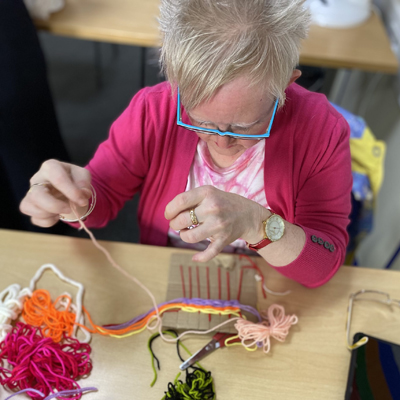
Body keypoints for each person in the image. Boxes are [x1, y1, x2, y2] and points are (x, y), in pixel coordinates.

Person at [20, 0, 352, 288]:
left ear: (286, 84)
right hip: (169, 279)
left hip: (275, 291)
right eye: (201, 120)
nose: (222, 140)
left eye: (246, 126)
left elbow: (323, 264)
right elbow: (102, 195)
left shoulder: (320, 130)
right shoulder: (155, 110)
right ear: (176, 80)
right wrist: (70, 198)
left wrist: (256, 222)